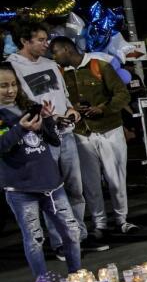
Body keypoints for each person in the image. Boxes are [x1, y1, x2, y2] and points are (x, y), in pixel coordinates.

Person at [6, 19, 94, 256]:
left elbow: (63, 97)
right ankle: (60, 243)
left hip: (65, 133)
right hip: (40, 140)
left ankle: (78, 236)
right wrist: (45, 121)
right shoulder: (12, 67)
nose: (47, 44)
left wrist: (71, 112)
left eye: (47, 39)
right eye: (41, 40)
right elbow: (17, 104)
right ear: (25, 41)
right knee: (52, 192)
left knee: (75, 188)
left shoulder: (51, 64)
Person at [50, 37, 136, 241]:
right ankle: (100, 223)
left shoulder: (100, 66)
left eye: (55, 51)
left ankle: (122, 219)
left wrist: (103, 108)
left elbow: (122, 94)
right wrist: (72, 109)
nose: (53, 56)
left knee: (116, 177)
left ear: (66, 49)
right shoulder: (60, 74)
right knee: (90, 182)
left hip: (109, 129)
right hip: (81, 133)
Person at [0, 63, 81, 276]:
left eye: (13, 84)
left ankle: (77, 278)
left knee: (72, 232)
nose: (10, 90)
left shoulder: (29, 106)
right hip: (21, 190)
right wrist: (21, 128)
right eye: (3, 86)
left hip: (53, 184)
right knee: (35, 238)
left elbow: (54, 141)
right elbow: (3, 146)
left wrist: (46, 120)